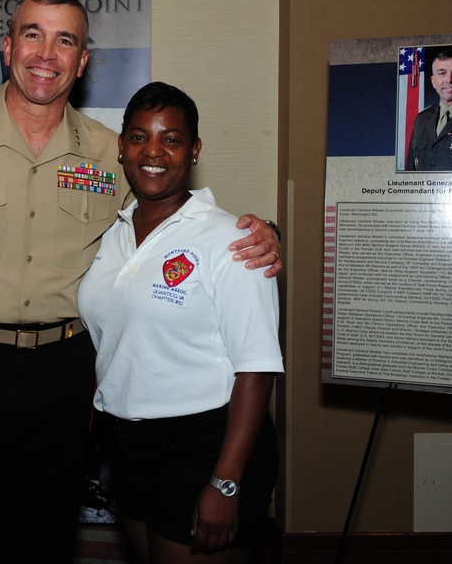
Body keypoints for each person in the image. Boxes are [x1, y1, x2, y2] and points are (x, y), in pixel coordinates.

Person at [0, 0, 283, 564]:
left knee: (41, 536)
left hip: (63, 372)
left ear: (82, 61)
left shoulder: (113, 153)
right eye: (33, 34)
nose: (46, 53)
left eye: (66, 40)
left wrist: (265, 232)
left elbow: (177, 215)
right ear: (7, 49)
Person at [78, 82, 283, 564]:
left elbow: (256, 367)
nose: (153, 152)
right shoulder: (110, 232)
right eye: (138, 137)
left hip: (206, 446)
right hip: (126, 445)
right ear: (122, 146)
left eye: (171, 139)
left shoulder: (232, 240)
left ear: (194, 151)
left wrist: (225, 482)